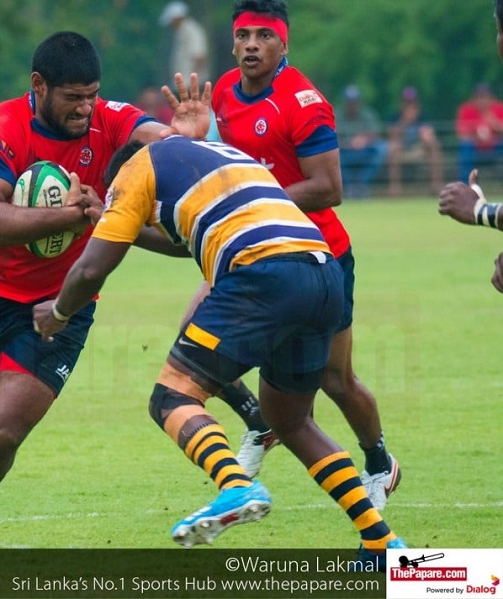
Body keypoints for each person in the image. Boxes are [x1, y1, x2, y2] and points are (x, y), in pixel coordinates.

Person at [33, 135, 406, 565]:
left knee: (172, 396)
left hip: (263, 273)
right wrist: (125, 225)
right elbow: (183, 239)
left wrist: (58, 312)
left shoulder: (133, 172)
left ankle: (236, 485)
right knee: (291, 420)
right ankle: (381, 543)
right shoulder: (214, 155)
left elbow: (91, 268)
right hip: (323, 273)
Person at [0, 31, 210, 561]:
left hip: (63, 303)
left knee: (6, 429)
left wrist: (182, 141)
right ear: (39, 85)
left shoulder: (108, 119)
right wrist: (73, 217)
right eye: (73, 97)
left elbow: (154, 136)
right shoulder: (0, 129)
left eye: (91, 94)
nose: (85, 107)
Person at [198, 0, 401, 512]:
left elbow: (329, 187)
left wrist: (254, 202)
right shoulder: (222, 93)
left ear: (283, 43)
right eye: (243, 35)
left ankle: (379, 463)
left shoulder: (304, 102)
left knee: (335, 379)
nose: (251, 45)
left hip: (319, 258)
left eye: (264, 35)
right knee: (197, 344)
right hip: (253, 251)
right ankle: (258, 422)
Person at [437, 0, 503, 294]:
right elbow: (464, 132)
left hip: (494, 147)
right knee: (466, 148)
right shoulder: (468, 110)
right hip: (477, 148)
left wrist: (479, 210)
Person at [386, 86, 444, 196]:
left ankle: (435, 185)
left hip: (419, 148)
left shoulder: (423, 117)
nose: (410, 106)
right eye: (407, 103)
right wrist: (405, 122)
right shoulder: (395, 117)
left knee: (434, 145)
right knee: (393, 148)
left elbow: (430, 135)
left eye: (412, 103)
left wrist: (424, 136)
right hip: (402, 149)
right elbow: (391, 136)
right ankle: (394, 188)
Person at [336, 85, 388, 199]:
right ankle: (350, 186)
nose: (352, 105)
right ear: (345, 102)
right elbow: (333, 136)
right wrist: (350, 142)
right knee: (332, 154)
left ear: (358, 102)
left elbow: (376, 134)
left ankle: (361, 185)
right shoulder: (337, 115)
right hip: (345, 152)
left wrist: (364, 140)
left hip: (365, 151)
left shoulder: (368, 114)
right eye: (349, 102)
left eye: (354, 102)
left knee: (381, 148)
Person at [455, 82, 503, 183]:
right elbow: (461, 134)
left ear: (490, 97)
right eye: (479, 97)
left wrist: (494, 124)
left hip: (495, 148)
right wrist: (474, 133)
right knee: (466, 145)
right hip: (475, 149)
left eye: (485, 97)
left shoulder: (499, 108)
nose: (482, 101)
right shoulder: (467, 109)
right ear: (474, 98)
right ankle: (465, 184)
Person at [159, 1, 210, 85]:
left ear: (177, 18)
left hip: (191, 84)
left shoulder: (193, 30)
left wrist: (193, 82)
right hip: (184, 83)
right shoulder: (181, 32)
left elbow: (199, 56)